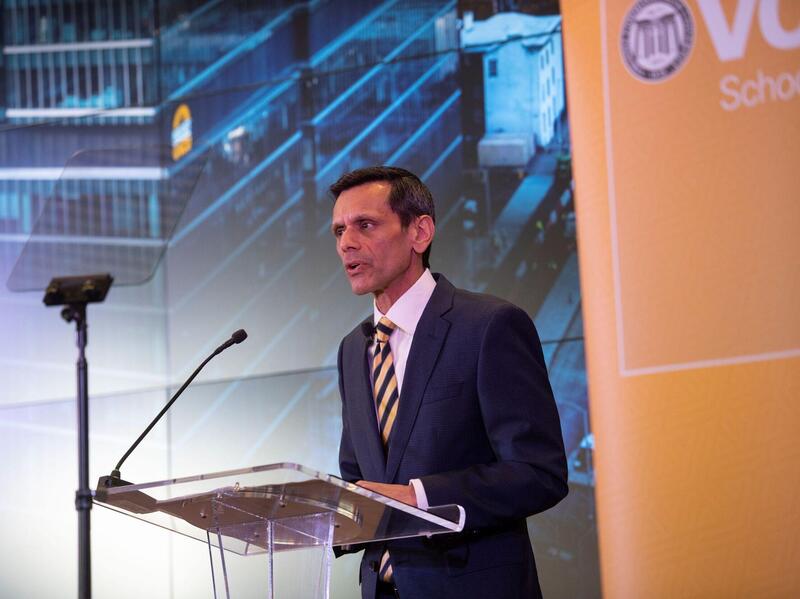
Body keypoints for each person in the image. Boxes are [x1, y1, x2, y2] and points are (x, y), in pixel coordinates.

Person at [331, 166, 568, 599]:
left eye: (365, 225)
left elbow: (539, 472)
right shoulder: (353, 350)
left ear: (420, 233)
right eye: (339, 230)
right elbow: (359, 480)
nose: (346, 242)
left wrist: (418, 497)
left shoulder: (489, 326)